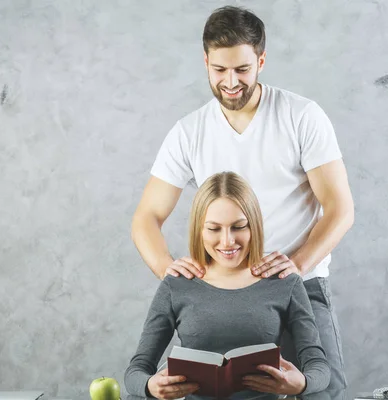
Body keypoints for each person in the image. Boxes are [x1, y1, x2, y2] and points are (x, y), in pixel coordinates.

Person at [131, 6, 354, 399]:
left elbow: (339, 209)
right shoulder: (189, 132)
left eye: (242, 70)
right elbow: (146, 218)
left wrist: (294, 267)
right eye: (219, 70)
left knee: (325, 388)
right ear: (206, 62)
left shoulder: (302, 116)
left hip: (299, 284)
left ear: (261, 61)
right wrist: (172, 273)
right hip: (223, 292)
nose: (231, 82)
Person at [125, 172, 330, 399]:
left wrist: (302, 383)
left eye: (238, 226)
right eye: (214, 229)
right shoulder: (176, 284)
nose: (227, 241)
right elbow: (136, 371)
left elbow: (318, 366)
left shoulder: (285, 282)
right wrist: (150, 386)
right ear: (199, 230)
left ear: (253, 226)